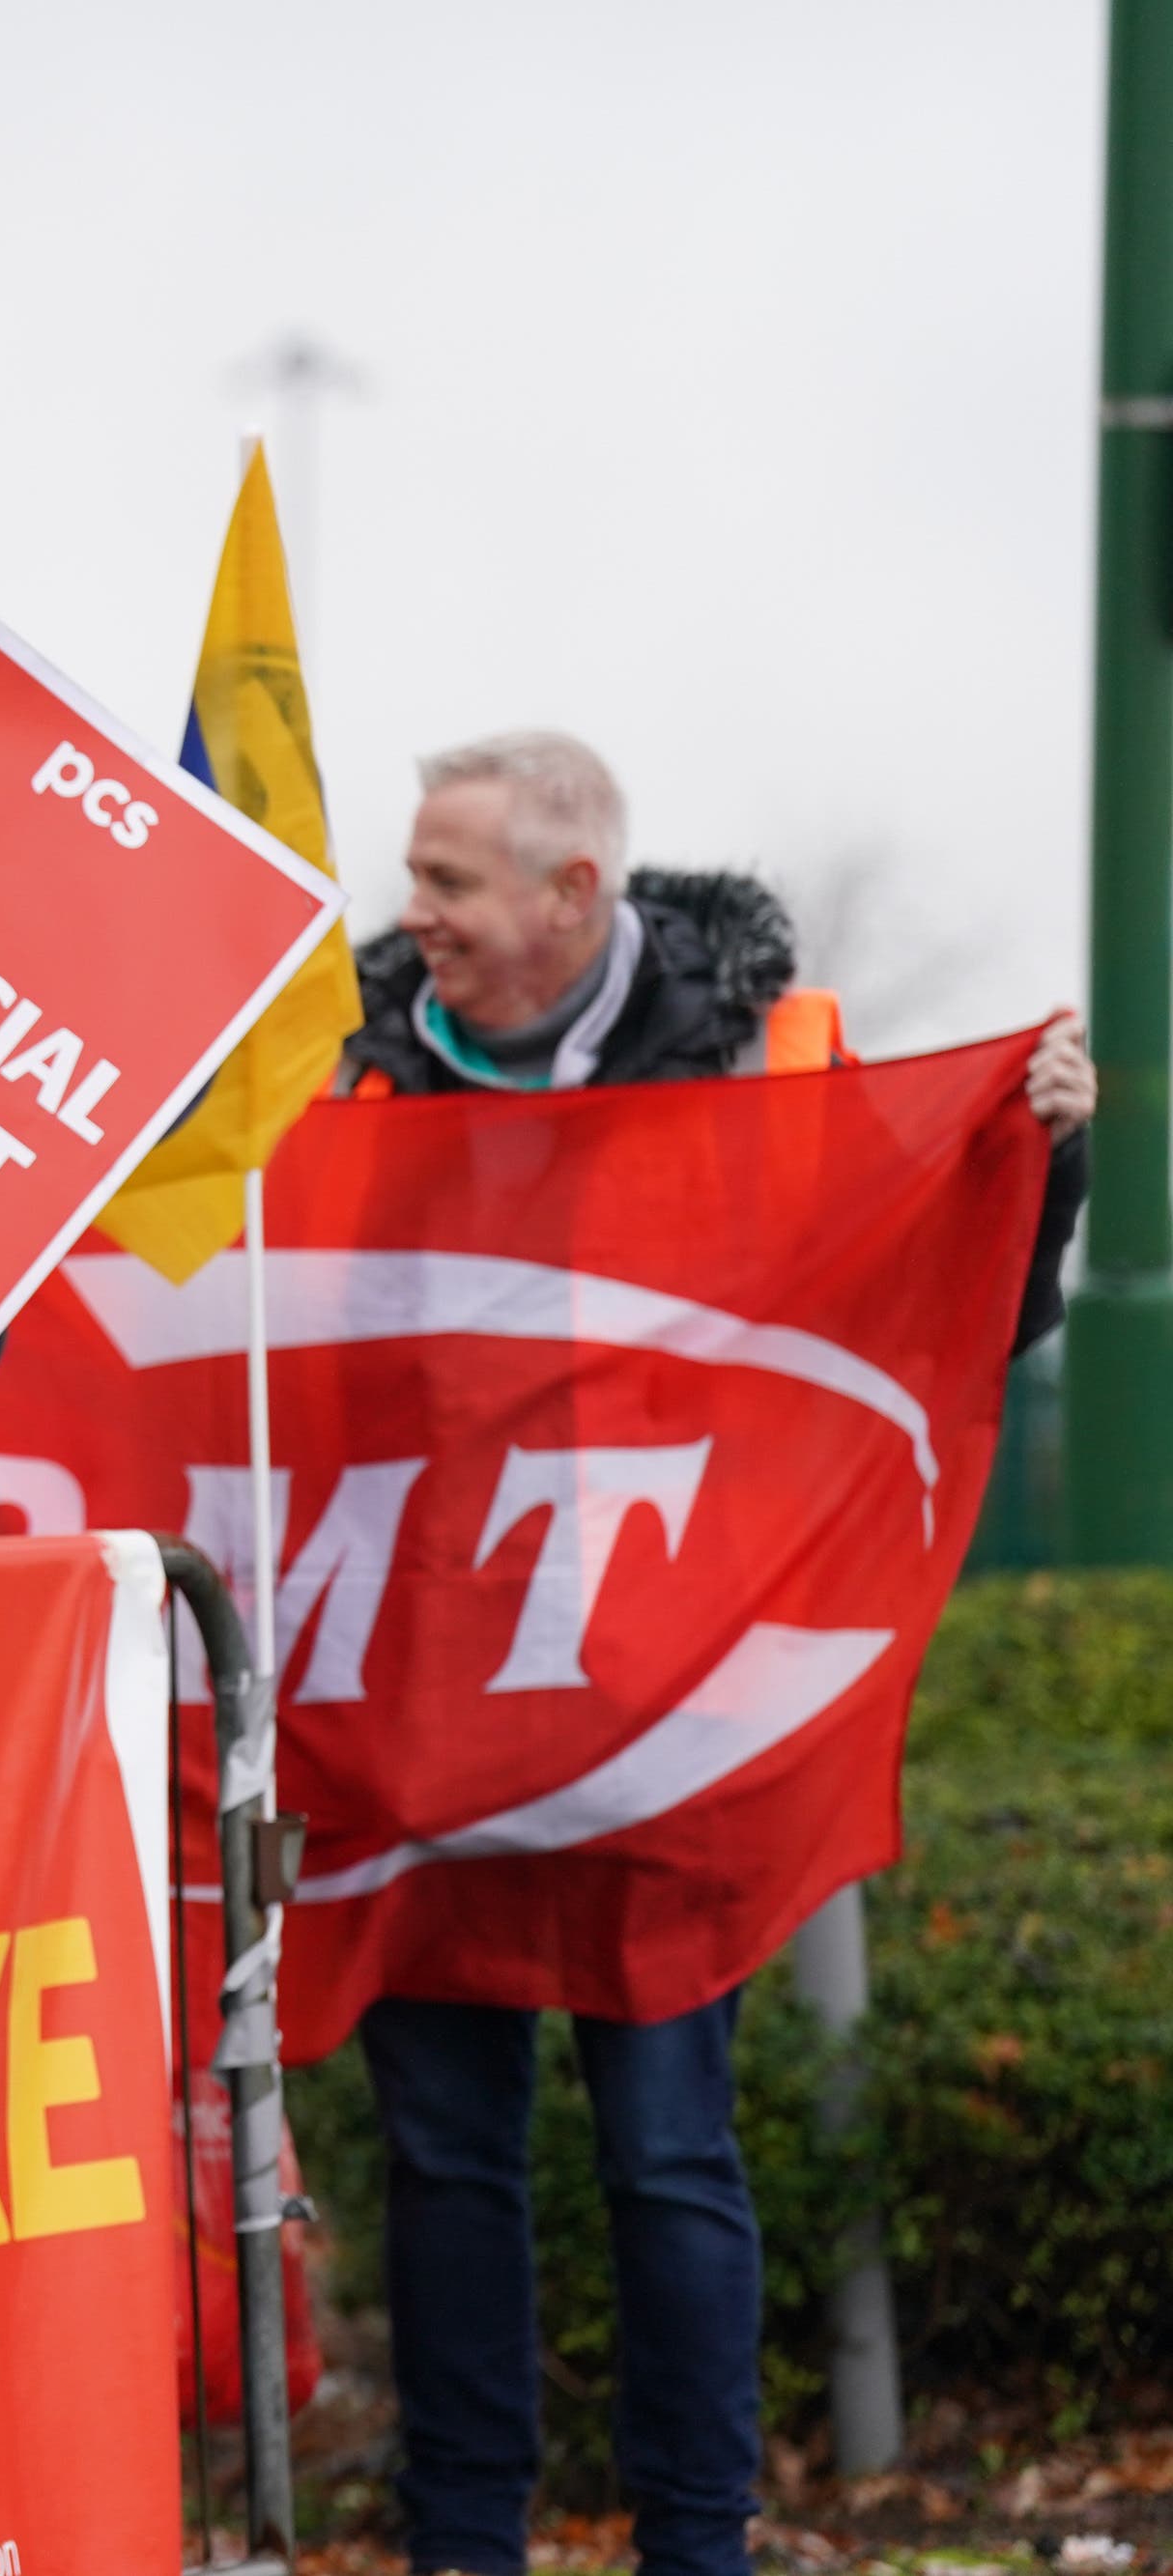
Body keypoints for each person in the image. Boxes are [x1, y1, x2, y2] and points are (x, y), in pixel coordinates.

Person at [335, 728, 1095, 2576]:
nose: (410, 910)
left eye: (447, 880)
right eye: (417, 874)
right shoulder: (341, 1074)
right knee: (446, 2159)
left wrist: (1039, 1163)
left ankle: (699, 2542)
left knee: (669, 2152)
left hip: (666, 1723)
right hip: (428, 1708)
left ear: (570, 893)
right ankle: (461, 2542)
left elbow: (959, 1317)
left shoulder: (772, 1061)